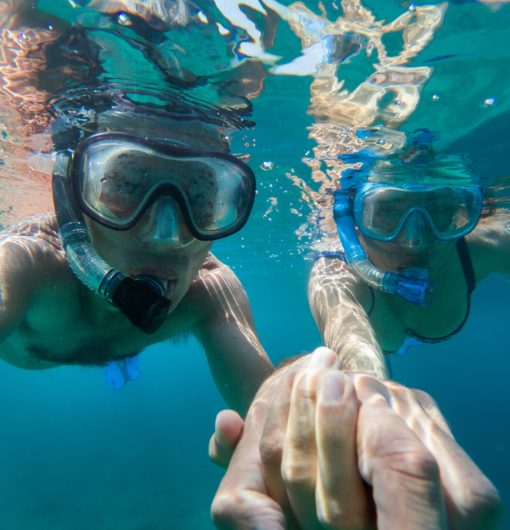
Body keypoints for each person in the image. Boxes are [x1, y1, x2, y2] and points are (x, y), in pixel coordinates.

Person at [0, 2, 502, 529]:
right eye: (124, 185)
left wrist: (321, 403)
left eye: (204, 194)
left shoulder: (209, 291)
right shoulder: (27, 263)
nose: (167, 234)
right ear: (74, 194)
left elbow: (269, 403)